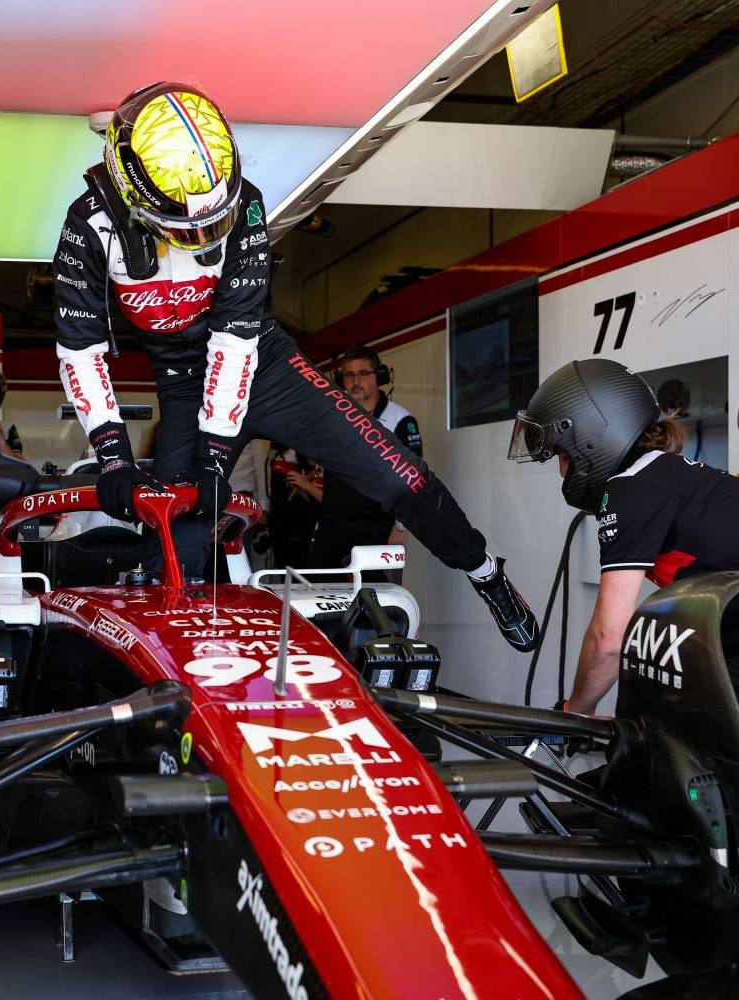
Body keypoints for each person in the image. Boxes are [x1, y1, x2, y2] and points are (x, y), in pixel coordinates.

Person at [52, 81, 538, 652]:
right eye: (186, 228)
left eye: (213, 225)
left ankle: (486, 573)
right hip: (184, 387)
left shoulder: (248, 201)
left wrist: (213, 459)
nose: (201, 239)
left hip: (265, 367)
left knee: (398, 476)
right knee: (174, 547)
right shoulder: (87, 223)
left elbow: (234, 341)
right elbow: (80, 347)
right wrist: (111, 455)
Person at [508, 357, 739, 714]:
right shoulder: (673, 476)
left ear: (589, 441)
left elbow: (608, 640)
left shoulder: (631, 489)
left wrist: (576, 712)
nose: (560, 470)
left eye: (561, 455)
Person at [295, 346, 422, 578]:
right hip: (331, 525)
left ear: (380, 376)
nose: (355, 381)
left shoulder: (400, 420)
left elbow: (413, 480)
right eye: (349, 375)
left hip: (377, 527)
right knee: (319, 598)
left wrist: (400, 527)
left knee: (377, 604)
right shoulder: (331, 417)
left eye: (363, 374)